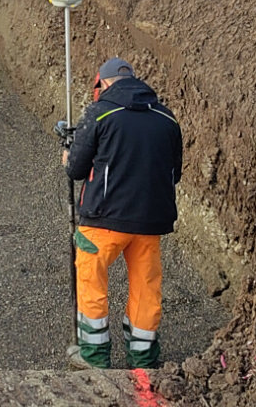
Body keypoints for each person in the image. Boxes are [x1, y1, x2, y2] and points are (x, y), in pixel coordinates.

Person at [63, 56, 182, 370]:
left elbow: (76, 169)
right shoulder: (167, 118)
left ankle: (94, 356)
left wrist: (67, 154)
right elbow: (175, 172)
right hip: (150, 221)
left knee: (93, 281)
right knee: (146, 286)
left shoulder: (99, 113)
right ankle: (142, 359)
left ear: (102, 83)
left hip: (102, 220)